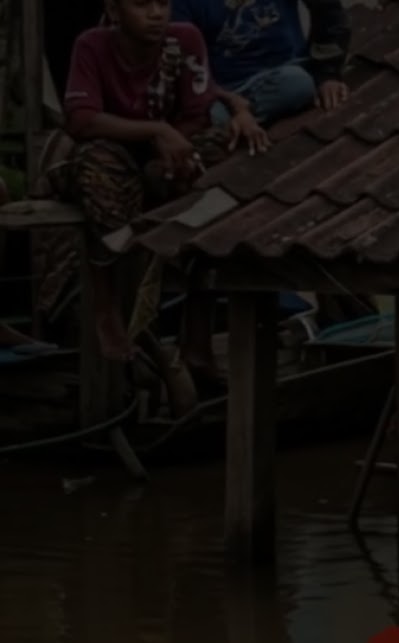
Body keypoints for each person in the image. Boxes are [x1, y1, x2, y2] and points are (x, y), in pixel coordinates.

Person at [54, 0, 265, 368]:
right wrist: (156, 130)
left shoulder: (185, 39)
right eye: (141, 4)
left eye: (163, 3)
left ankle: (197, 328)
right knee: (98, 166)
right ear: (115, 10)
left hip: (165, 155)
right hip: (114, 149)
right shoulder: (92, 44)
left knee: (219, 162)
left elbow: (197, 113)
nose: (156, 13)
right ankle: (108, 311)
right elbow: (81, 120)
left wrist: (167, 149)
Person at [170, 0, 353, 127]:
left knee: (299, 83)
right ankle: (237, 119)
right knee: (212, 116)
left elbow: (329, 13)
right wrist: (231, 103)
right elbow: (187, 62)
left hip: (285, 73)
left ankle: (240, 118)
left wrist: (328, 74)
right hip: (226, 90)